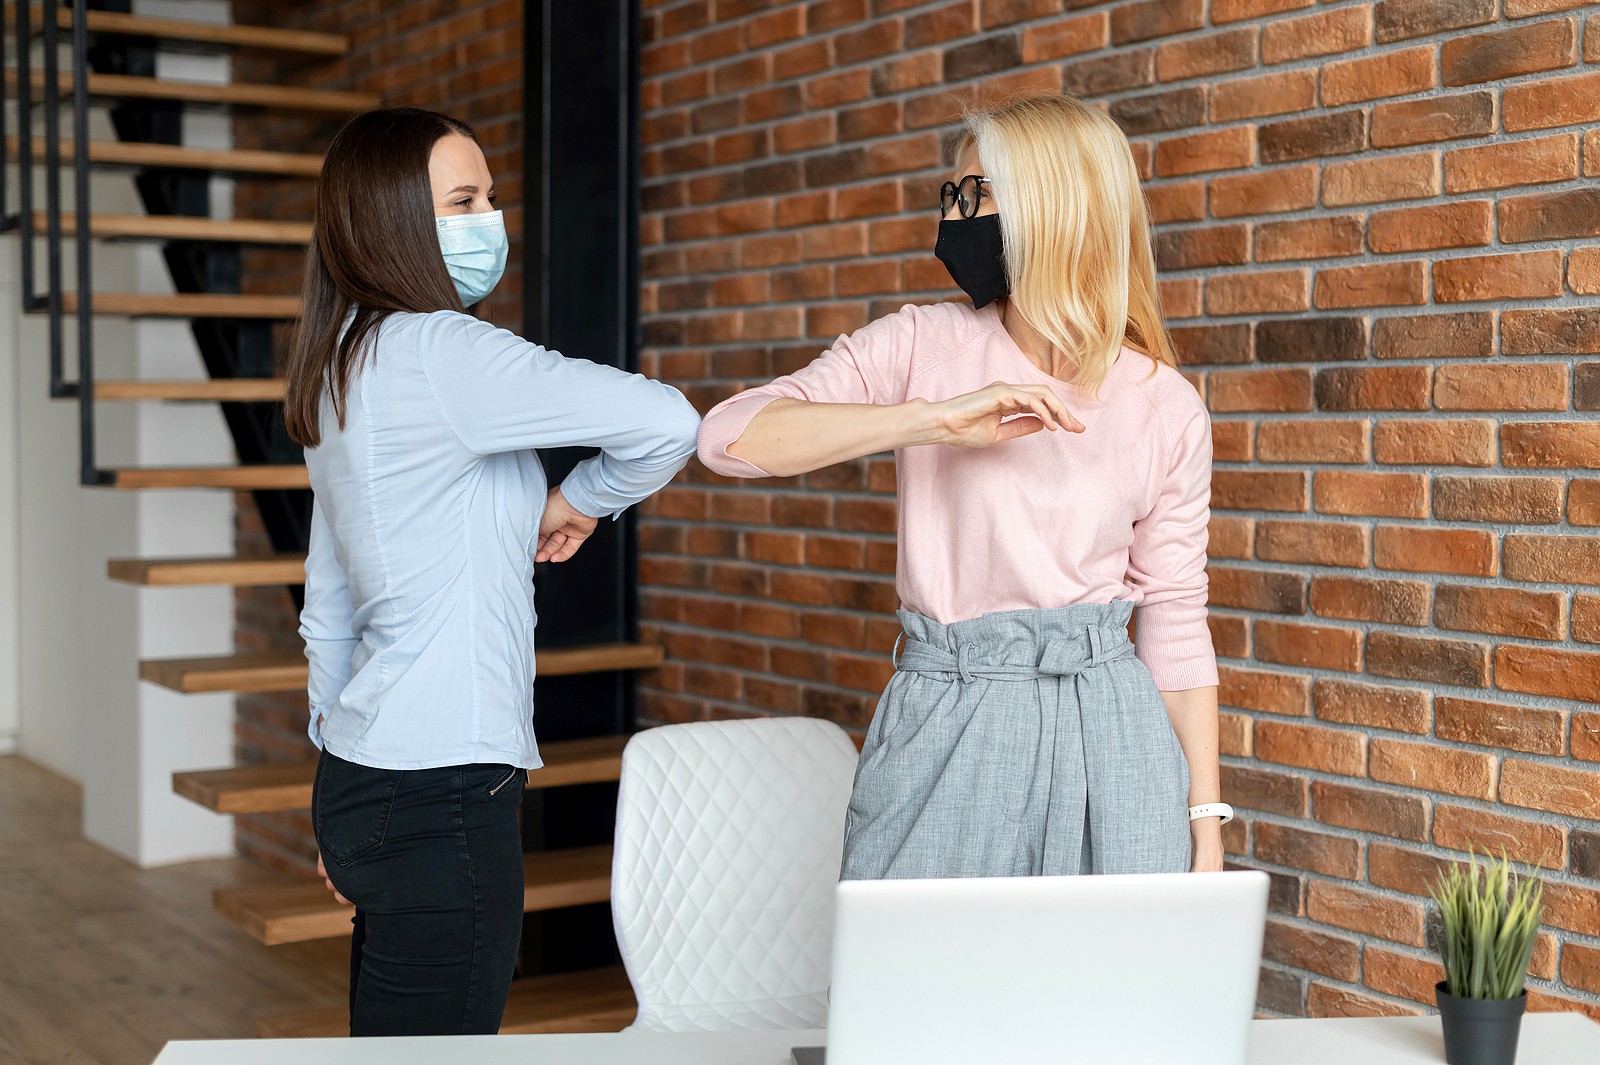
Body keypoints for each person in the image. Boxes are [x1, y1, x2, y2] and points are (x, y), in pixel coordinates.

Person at [697, 94, 1225, 881]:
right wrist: (930, 422)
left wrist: (1205, 830)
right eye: (955, 194)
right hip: (945, 718)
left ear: (1055, 211)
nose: (957, 215)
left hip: (1115, 741)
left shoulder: (1166, 407)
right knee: (915, 993)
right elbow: (729, 437)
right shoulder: (920, 345)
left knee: (1104, 1000)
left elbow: (1176, 628)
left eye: (977, 194)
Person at [284, 107, 700, 1037]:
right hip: (442, 785)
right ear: (392, 220)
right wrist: (585, 499)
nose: (489, 220)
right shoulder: (447, 352)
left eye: (490, 197)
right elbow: (670, 421)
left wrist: (339, 781)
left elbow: (329, 604)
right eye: (463, 200)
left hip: (362, 769)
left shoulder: (339, 362)